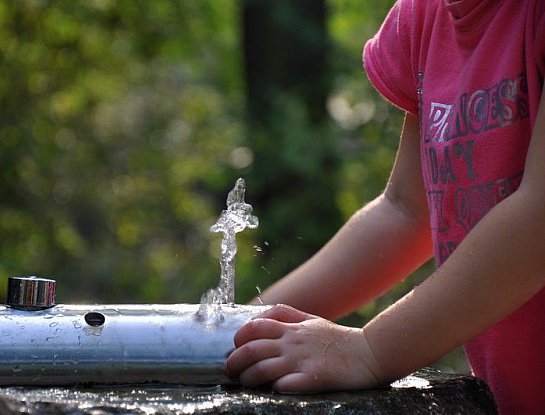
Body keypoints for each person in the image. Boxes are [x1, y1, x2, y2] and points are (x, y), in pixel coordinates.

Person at [225, 1, 545, 413]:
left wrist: (371, 350)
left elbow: (539, 220)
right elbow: (406, 212)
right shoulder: (427, 16)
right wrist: (246, 327)